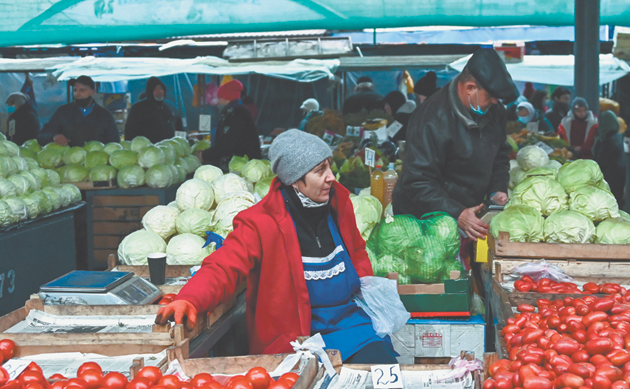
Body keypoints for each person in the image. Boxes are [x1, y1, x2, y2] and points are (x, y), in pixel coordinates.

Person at [156, 130, 398, 363]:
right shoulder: (259, 222)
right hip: (296, 337)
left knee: (381, 367)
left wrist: (366, 287)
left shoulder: (338, 205)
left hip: (350, 324)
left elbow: (356, 251)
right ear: (295, 179)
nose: (331, 177)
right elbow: (223, 266)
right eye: (320, 170)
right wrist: (191, 299)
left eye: (329, 166)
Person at [392, 48, 518, 244]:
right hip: (425, 225)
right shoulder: (431, 119)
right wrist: (457, 213)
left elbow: (500, 155)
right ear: (470, 88)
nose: (495, 101)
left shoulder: (494, 111)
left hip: (470, 217)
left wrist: (497, 189)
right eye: (490, 96)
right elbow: (417, 182)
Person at [38, 75, 119, 147]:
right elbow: (42, 135)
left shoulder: (105, 116)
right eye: (75, 90)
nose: (77, 94)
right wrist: (54, 136)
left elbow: (114, 143)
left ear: (92, 92)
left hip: (95, 162)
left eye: (82, 90)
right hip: (68, 161)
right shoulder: (63, 112)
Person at [201, 79, 261, 169]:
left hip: (243, 166)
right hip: (240, 165)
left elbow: (227, 144)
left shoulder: (236, 114)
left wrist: (204, 155)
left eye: (220, 98)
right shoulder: (234, 112)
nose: (217, 102)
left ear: (227, 99)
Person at [124, 77, 182, 144]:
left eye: (161, 88)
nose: (159, 91)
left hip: (169, 149)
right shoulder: (138, 108)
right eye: (155, 89)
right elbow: (129, 131)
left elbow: (179, 126)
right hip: (147, 150)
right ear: (150, 91)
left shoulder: (170, 107)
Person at [593, 110, 626, 207]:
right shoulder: (617, 137)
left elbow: (602, 161)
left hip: (610, 178)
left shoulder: (607, 139)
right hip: (618, 177)